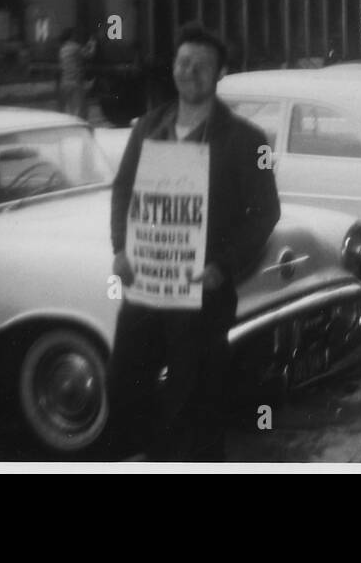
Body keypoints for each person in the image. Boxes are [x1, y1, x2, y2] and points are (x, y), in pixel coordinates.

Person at [107, 23, 280, 460]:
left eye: (202, 66)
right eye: (184, 63)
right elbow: (123, 191)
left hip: (203, 296)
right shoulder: (148, 127)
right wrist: (120, 248)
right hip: (146, 289)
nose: (190, 72)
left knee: (197, 408)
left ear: (220, 73)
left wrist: (223, 265)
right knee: (125, 389)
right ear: (173, 68)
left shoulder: (246, 139)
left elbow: (265, 213)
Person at [57, 27, 94, 119]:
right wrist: (93, 44)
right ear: (72, 36)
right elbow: (89, 55)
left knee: (69, 109)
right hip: (75, 82)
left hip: (64, 82)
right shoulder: (75, 47)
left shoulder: (62, 49)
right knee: (79, 110)